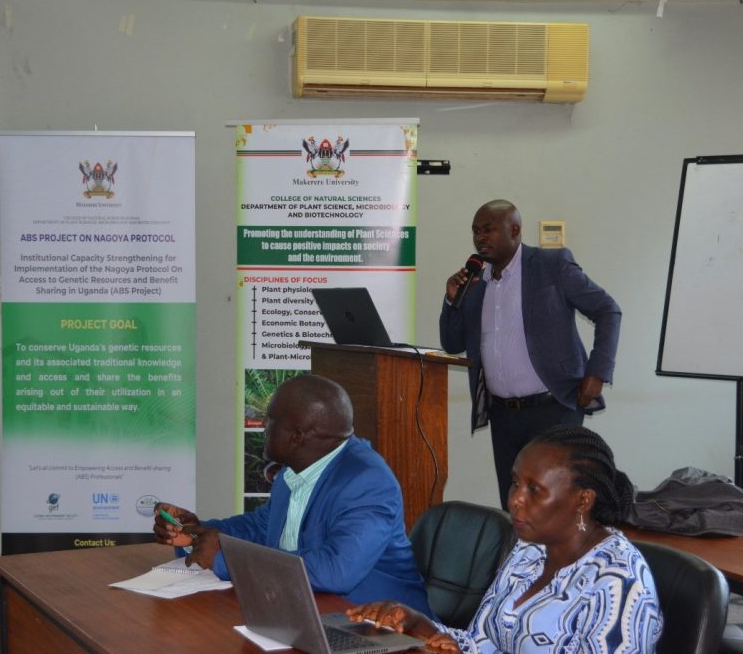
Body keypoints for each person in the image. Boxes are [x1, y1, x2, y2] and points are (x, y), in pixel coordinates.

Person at [347, 424, 663, 653]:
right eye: (515, 483)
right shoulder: (529, 549)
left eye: (534, 490)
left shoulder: (619, 584)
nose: (514, 500)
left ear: (583, 501)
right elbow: (482, 641)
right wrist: (418, 623)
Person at [153, 373, 433, 616]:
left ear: (297, 436)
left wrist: (227, 560)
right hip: (311, 613)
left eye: (270, 420)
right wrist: (199, 532)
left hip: (382, 628)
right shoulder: (294, 471)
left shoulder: (367, 482)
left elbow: (336, 570)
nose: (263, 426)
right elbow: (261, 528)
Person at [440, 199, 621, 508]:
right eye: (475, 232)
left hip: (554, 408)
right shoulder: (477, 283)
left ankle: (563, 559)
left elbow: (607, 310)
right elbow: (452, 343)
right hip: (503, 415)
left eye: (488, 230)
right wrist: (451, 300)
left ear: (515, 230)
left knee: (555, 504)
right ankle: (521, 558)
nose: (480, 238)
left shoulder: (552, 265)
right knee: (515, 505)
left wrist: (597, 373)